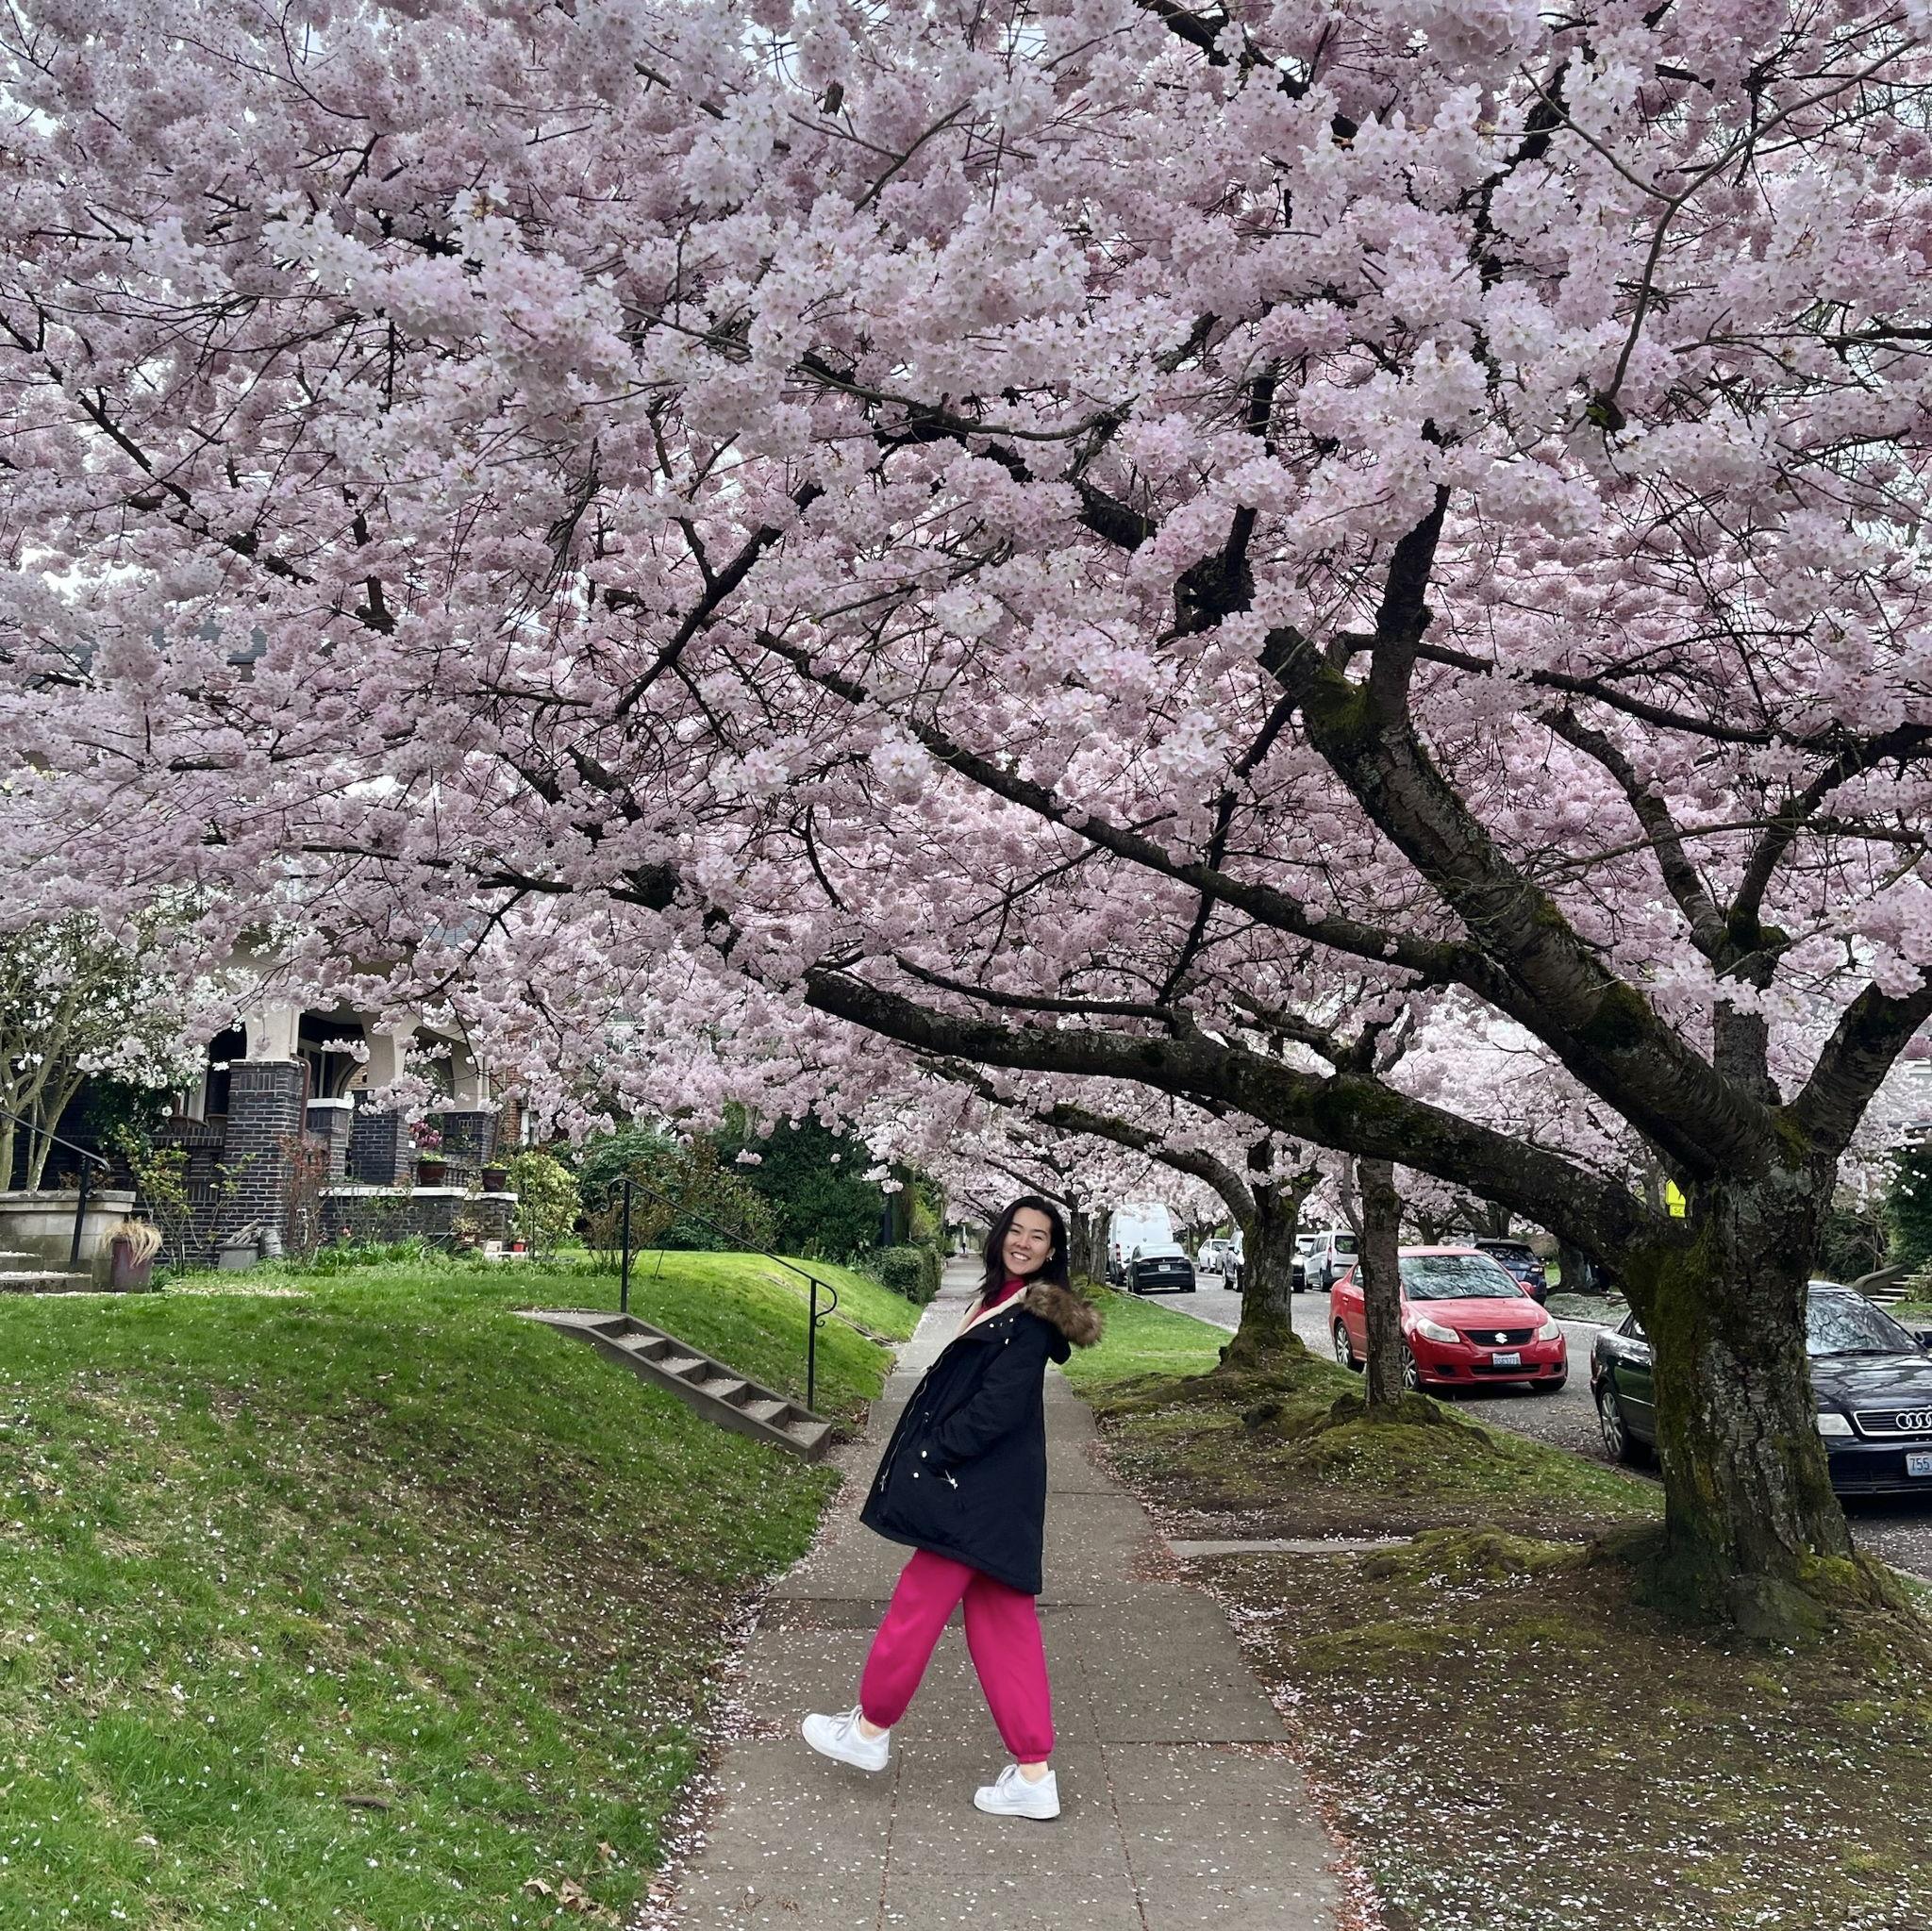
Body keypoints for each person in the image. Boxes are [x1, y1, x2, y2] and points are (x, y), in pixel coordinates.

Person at [801, 1195, 1102, 1820]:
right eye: (1015, 1229)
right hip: (997, 1493)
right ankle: (1034, 1772)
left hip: (976, 1491)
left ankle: (868, 1731)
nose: (1022, 1241)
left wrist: (937, 1451)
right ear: (1000, 1236)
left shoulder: (1031, 1318)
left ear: (1053, 1252)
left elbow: (1000, 1406)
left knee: (916, 1606)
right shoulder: (1003, 1298)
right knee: (1003, 1627)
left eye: (1037, 1236)